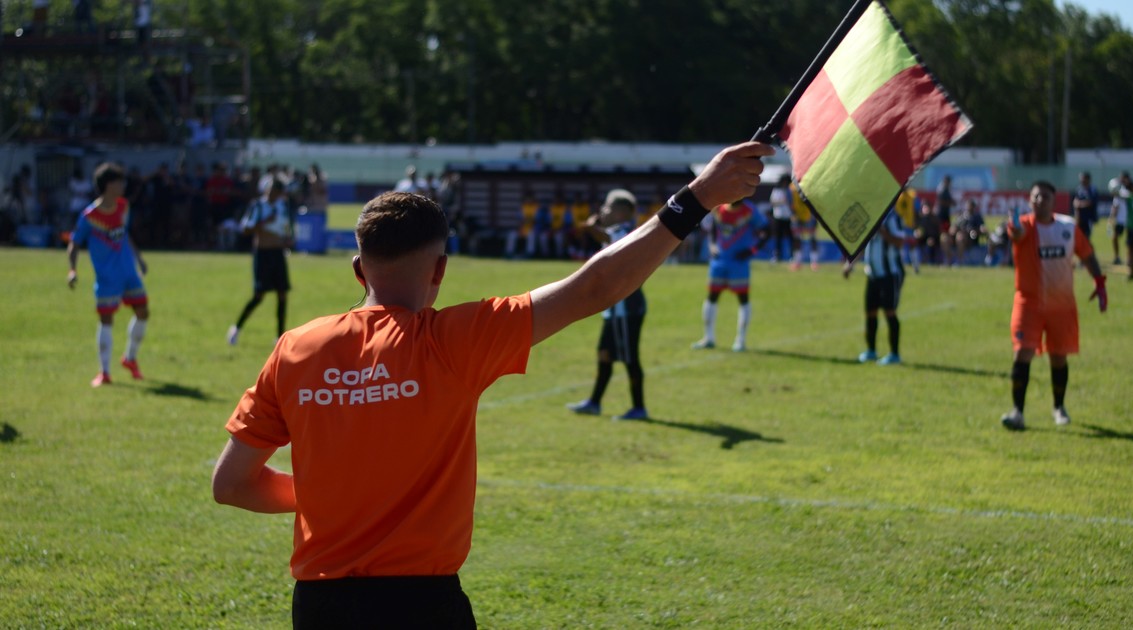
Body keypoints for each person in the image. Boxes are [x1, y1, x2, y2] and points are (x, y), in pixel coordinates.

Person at [210, 142, 772, 627]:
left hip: (319, 605)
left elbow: (231, 484)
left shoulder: (295, 349)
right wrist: (698, 196)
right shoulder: (457, 340)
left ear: (359, 269)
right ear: (440, 269)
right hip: (424, 603)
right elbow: (594, 286)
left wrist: (332, 493)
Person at [1001, 181, 1107, 431]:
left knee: (1059, 357)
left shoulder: (1067, 227)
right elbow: (1016, 234)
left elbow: (1087, 254)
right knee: (1022, 353)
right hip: (1028, 304)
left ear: (1053, 200)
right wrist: (1013, 226)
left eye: (1045, 197)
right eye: (1035, 197)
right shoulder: (1024, 225)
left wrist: (1100, 283)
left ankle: (1059, 407)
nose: (1040, 201)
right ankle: (1017, 412)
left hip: (1062, 306)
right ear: (1030, 200)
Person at [566, 189, 650, 421]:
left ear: (622, 212)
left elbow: (606, 238)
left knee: (630, 357)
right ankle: (594, 403)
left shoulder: (627, 231)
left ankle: (639, 408)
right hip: (614, 307)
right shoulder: (615, 230)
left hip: (627, 307)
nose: (603, 210)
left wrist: (591, 226)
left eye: (607, 207)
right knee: (604, 353)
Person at [66, 163, 150, 387]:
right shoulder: (89, 216)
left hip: (128, 272)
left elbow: (124, 234)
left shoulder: (123, 206)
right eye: (119, 181)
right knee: (106, 319)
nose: (123, 185)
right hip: (107, 277)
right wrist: (72, 270)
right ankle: (104, 372)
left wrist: (139, 258)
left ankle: (130, 358)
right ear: (108, 185)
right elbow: (74, 243)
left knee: (143, 311)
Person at [692, 197, 769, 352]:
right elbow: (713, 229)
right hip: (719, 262)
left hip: (739, 264)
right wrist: (712, 245)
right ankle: (708, 337)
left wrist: (751, 250)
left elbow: (767, 231)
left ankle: (740, 340)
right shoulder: (720, 208)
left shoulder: (749, 211)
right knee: (712, 296)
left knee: (743, 298)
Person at [227, 179, 293, 346]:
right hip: (263, 254)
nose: (272, 195)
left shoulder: (282, 207)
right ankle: (236, 328)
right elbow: (245, 229)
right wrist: (264, 222)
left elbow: (286, 228)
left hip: (278, 254)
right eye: (270, 191)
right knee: (259, 295)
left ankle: (280, 336)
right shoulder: (257, 206)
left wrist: (288, 238)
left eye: (276, 192)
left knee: (282, 294)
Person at [843, 208, 905, 365]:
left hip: (889, 273)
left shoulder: (892, 217)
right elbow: (863, 243)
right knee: (870, 312)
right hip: (872, 274)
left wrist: (883, 231)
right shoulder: (871, 215)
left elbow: (899, 242)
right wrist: (850, 264)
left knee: (890, 312)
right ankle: (871, 350)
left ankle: (894, 354)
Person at [787, 179, 819, 271]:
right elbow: (789, 201)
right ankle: (797, 261)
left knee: (812, 237)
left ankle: (814, 262)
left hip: (809, 215)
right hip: (797, 216)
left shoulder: (810, 184)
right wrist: (793, 214)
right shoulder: (792, 187)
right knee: (797, 238)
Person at [767, 175, 794, 263]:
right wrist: (782, 201)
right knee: (778, 237)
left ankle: (792, 256)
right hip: (778, 216)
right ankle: (777, 255)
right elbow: (772, 202)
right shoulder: (776, 190)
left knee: (790, 237)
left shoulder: (789, 190)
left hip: (788, 217)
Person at [952, 199, 987, 265]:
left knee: (961, 237)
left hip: (973, 238)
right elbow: (954, 228)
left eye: (971, 206)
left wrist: (979, 230)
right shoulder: (961, 217)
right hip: (962, 237)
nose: (969, 208)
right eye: (968, 206)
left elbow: (982, 228)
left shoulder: (977, 217)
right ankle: (960, 260)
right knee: (960, 236)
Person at [1106, 175, 1127, 266]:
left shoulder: (1121, 195)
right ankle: (1118, 257)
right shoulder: (1119, 196)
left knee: (1118, 239)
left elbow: (1115, 209)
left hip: (1123, 221)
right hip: (1122, 221)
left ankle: (1121, 257)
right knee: (1115, 238)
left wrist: (1111, 219)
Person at [1072, 171, 1099, 242]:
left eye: (1083, 178)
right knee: (1078, 237)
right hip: (1079, 218)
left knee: (1086, 238)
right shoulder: (1079, 189)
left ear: (1088, 179)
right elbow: (1075, 200)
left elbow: (1090, 202)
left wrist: (1079, 204)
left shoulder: (1092, 189)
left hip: (1088, 218)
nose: (1081, 180)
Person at [936, 174, 956, 265]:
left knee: (946, 237)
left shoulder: (946, 190)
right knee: (944, 237)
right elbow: (942, 202)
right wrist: (951, 202)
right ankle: (948, 257)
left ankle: (948, 257)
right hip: (942, 217)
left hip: (945, 217)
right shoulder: (942, 190)